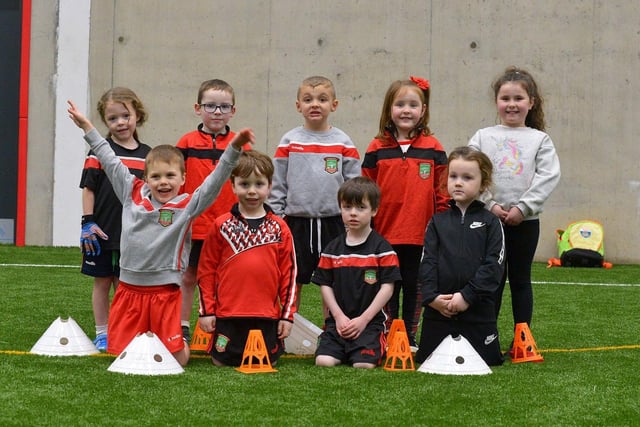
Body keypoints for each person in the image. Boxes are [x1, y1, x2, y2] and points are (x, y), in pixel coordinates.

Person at [67, 100, 254, 366]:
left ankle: (181, 339)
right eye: (155, 176)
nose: (163, 182)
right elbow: (108, 159)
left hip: (165, 293)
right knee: (122, 357)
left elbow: (215, 181)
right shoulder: (131, 193)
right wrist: (88, 127)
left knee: (177, 360)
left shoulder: (187, 205)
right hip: (129, 291)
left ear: (182, 178)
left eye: (170, 176)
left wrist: (234, 148)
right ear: (146, 177)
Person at [468, 66, 560, 355]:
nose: (511, 104)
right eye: (505, 98)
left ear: (531, 102)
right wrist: (489, 204)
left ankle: (522, 340)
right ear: (496, 101)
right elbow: (469, 171)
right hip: (487, 221)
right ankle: (487, 337)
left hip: (525, 223)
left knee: (520, 280)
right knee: (490, 280)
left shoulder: (539, 140)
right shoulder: (482, 137)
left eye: (518, 98)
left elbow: (548, 176)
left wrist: (523, 207)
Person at [361, 76, 449, 349]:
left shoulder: (433, 148)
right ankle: (387, 336)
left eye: (413, 104)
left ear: (423, 110)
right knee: (388, 289)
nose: (406, 110)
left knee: (415, 287)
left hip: (420, 235)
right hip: (384, 235)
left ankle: (409, 338)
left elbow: (442, 192)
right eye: (400, 104)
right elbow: (366, 189)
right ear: (389, 109)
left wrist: (442, 225)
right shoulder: (376, 148)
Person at [268, 75, 361, 312]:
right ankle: (286, 327)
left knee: (333, 280)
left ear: (334, 105)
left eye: (322, 99)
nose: (315, 104)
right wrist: (276, 218)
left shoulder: (344, 142)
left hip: (334, 222)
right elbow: (278, 183)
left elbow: (354, 185)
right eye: (308, 99)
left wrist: (352, 218)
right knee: (291, 278)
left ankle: (333, 330)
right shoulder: (289, 141)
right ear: (298, 105)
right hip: (295, 223)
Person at [197, 150, 297, 366]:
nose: (252, 191)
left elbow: (290, 277)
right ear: (233, 185)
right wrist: (207, 312)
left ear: (270, 186)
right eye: (244, 184)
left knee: (264, 362)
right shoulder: (221, 226)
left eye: (259, 184)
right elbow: (206, 271)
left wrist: (287, 316)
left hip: (266, 316)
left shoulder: (280, 228)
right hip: (227, 315)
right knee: (221, 362)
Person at [175, 79, 251, 343]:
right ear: (198, 108)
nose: (217, 112)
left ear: (233, 111)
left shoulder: (241, 143)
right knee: (188, 277)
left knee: (226, 278)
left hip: (231, 225)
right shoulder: (186, 142)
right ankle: (182, 327)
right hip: (195, 225)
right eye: (210, 106)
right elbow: (177, 182)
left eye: (223, 107)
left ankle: (225, 326)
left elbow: (249, 179)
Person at [415, 147, 505, 366]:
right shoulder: (437, 222)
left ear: (483, 184)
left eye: (467, 177)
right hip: (439, 312)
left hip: (478, 312)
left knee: (488, 360)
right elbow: (427, 263)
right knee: (427, 359)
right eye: (453, 176)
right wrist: (432, 299)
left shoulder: (492, 223)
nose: (458, 182)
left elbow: (494, 266)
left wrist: (466, 297)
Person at [78, 87, 152, 351]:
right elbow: (89, 188)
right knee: (102, 281)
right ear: (105, 122)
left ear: (137, 115)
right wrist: (88, 223)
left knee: (126, 284)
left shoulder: (147, 155)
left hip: (133, 235)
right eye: (112, 119)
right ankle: (102, 333)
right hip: (101, 231)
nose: (120, 123)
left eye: (125, 116)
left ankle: (123, 331)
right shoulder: (99, 151)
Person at [313, 176, 401, 369]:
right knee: (323, 361)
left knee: (363, 364)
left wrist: (364, 320)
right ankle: (339, 345)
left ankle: (371, 344)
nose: (353, 213)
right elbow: (325, 285)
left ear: (374, 210)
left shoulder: (382, 249)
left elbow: (388, 288)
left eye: (361, 208)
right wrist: (338, 317)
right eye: (347, 207)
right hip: (339, 323)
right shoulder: (332, 249)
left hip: (370, 324)